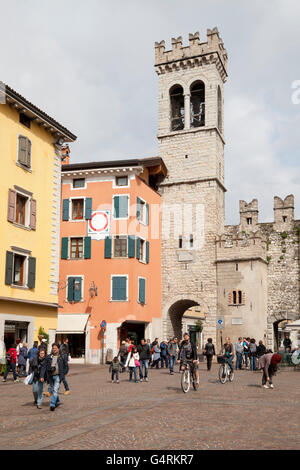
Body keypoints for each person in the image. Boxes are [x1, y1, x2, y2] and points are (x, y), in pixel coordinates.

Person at [45, 343, 68, 411]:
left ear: (58, 349)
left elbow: (66, 367)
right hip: (51, 376)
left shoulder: (62, 356)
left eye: (55, 348)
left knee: (55, 390)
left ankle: (52, 404)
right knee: (54, 390)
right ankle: (57, 401)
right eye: (53, 348)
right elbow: (46, 366)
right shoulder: (49, 357)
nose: (54, 349)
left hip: (58, 376)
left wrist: (63, 374)